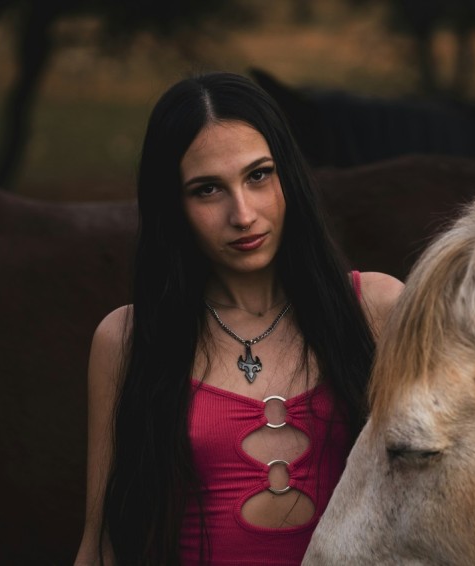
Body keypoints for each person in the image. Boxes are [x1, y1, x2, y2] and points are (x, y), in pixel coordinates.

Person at [74, 72, 404, 565]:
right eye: (207, 189)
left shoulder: (376, 308)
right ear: (172, 205)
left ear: (288, 175)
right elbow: (101, 546)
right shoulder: (127, 340)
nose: (243, 214)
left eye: (258, 175)